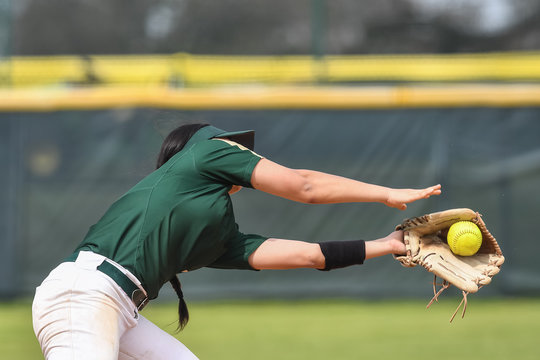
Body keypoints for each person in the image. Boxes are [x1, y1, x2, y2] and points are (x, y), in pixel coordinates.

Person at [32, 123, 442, 359]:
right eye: (239, 146)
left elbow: (307, 255)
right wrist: (386, 193)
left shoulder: (217, 235)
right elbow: (304, 185)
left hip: (118, 307)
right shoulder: (206, 151)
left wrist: (387, 244)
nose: (245, 152)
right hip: (84, 295)